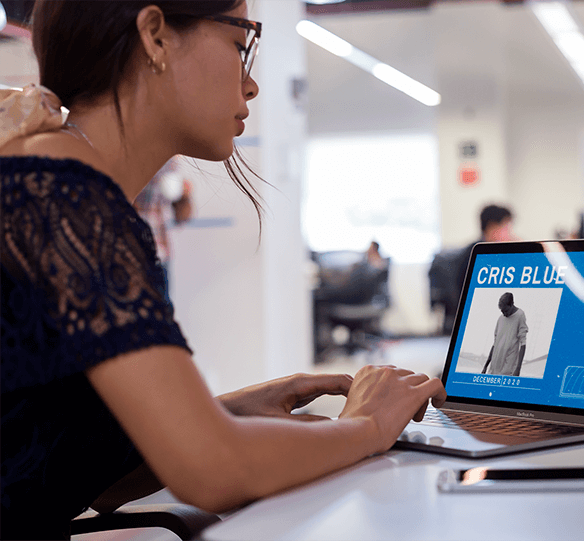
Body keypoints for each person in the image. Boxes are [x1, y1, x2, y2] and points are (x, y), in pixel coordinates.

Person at [0, 2, 446, 538]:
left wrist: (228, 414)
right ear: (156, 36)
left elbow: (80, 470)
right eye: (241, 45)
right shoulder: (63, 192)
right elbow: (211, 472)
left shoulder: (51, 176)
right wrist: (368, 425)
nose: (252, 85)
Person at [429, 203, 517, 334]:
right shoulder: (475, 256)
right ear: (492, 227)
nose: (510, 233)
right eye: (506, 227)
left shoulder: (497, 253)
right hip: (476, 317)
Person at [133, 155, 193, 301]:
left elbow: (181, 216)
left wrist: (184, 196)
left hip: (159, 254)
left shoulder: (171, 161)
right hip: (130, 254)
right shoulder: (126, 158)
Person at [481, 292, 528, 376]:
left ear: (512, 304)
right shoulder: (500, 319)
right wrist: (485, 366)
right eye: (502, 311)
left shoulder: (520, 315)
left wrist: (518, 368)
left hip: (508, 369)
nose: (504, 314)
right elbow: (495, 344)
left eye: (506, 311)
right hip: (493, 369)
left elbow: (523, 344)